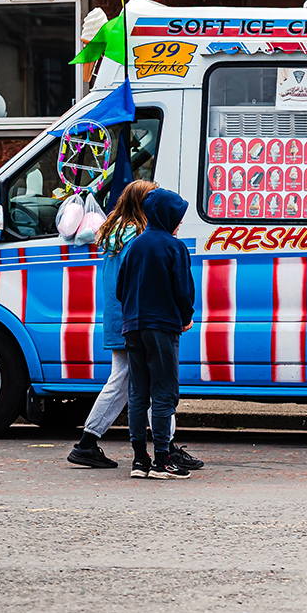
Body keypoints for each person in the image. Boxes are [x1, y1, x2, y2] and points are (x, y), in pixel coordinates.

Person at [67, 180, 203, 473]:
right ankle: (162, 450)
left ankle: (98, 444)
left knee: (131, 384)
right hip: (143, 318)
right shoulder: (140, 238)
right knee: (151, 384)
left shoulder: (116, 234)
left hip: (123, 318)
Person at [116, 187, 197, 479]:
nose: (180, 221)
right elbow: (183, 291)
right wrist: (185, 318)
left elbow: (120, 289)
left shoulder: (134, 245)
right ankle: (162, 459)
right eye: (177, 215)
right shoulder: (174, 247)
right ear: (166, 215)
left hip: (133, 327)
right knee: (164, 392)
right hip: (161, 326)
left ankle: (140, 459)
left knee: (138, 393)